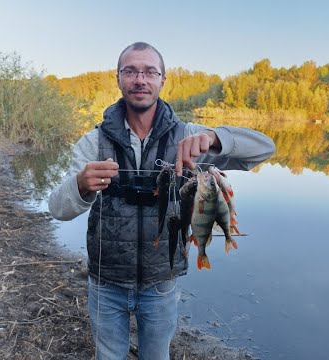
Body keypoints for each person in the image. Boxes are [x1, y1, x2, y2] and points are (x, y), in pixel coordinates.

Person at [48, 42, 275, 360]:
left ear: (162, 80)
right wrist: (80, 186)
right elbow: (57, 209)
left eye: (149, 71)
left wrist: (214, 137)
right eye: (131, 71)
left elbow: (264, 149)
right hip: (105, 283)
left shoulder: (189, 135)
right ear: (118, 79)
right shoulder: (93, 142)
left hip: (161, 284)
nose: (140, 79)